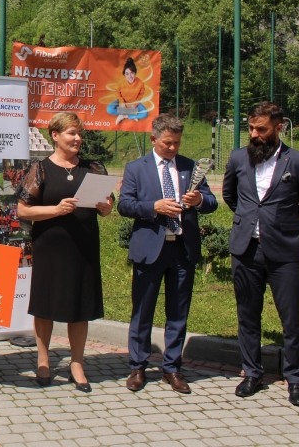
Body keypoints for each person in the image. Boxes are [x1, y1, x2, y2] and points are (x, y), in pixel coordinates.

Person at [223, 102, 299, 407]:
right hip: (246, 250)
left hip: (284, 253)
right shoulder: (238, 158)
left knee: (292, 319)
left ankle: (296, 380)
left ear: (279, 128)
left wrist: (284, 222)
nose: (254, 134)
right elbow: (229, 195)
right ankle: (252, 374)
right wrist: (248, 220)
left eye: (261, 129)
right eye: (251, 127)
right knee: (248, 315)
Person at [118, 114, 218, 394]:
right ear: (154, 139)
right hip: (150, 250)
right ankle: (138, 366)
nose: (172, 148)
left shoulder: (190, 167)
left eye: (176, 143)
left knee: (178, 313)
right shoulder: (136, 168)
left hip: (183, 249)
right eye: (167, 143)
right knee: (142, 311)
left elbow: (211, 202)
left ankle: (172, 368)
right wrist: (154, 207)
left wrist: (199, 200)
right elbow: (125, 205)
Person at [16, 112, 113, 393]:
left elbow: (107, 206)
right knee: (45, 304)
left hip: (83, 246)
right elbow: (23, 210)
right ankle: (43, 360)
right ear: (55, 135)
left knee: (79, 305)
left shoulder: (93, 168)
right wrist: (56, 210)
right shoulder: (41, 169)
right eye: (72, 133)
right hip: (50, 246)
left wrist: (106, 207)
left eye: (80, 133)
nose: (78, 138)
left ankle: (77, 363)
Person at [107, 57, 148, 125]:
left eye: (132, 73)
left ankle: (123, 116)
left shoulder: (140, 83)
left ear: (135, 73)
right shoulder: (120, 83)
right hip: (123, 100)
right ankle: (133, 113)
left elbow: (141, 95)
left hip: (134, 102)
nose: (130, 76)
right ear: (124, 74)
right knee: (109, 109)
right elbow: (117, 93)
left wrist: (134, 104)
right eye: (127, 74)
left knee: (145, 113)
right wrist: (122, 102)